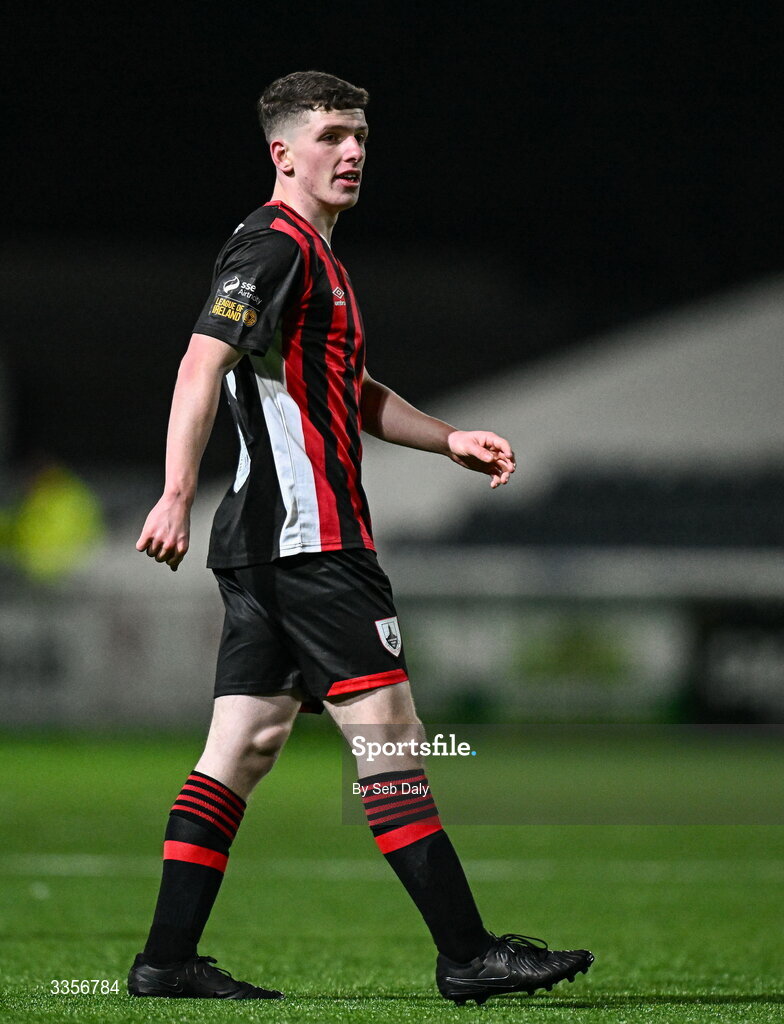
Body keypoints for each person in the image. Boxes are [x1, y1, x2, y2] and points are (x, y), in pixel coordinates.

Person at [128, 70, 593, 1005]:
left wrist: (447, 437)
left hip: (270, 548)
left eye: (362, 137)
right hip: (312, 545)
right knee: (390, 741)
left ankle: (167, 960)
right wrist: (175, 490)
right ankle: (467, 953)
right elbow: (199, 359)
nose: (353, 152)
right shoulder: (274, 247)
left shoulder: (316, 260)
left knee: (244, 747)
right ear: (283, 153)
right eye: (333, 134)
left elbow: (354, 390)